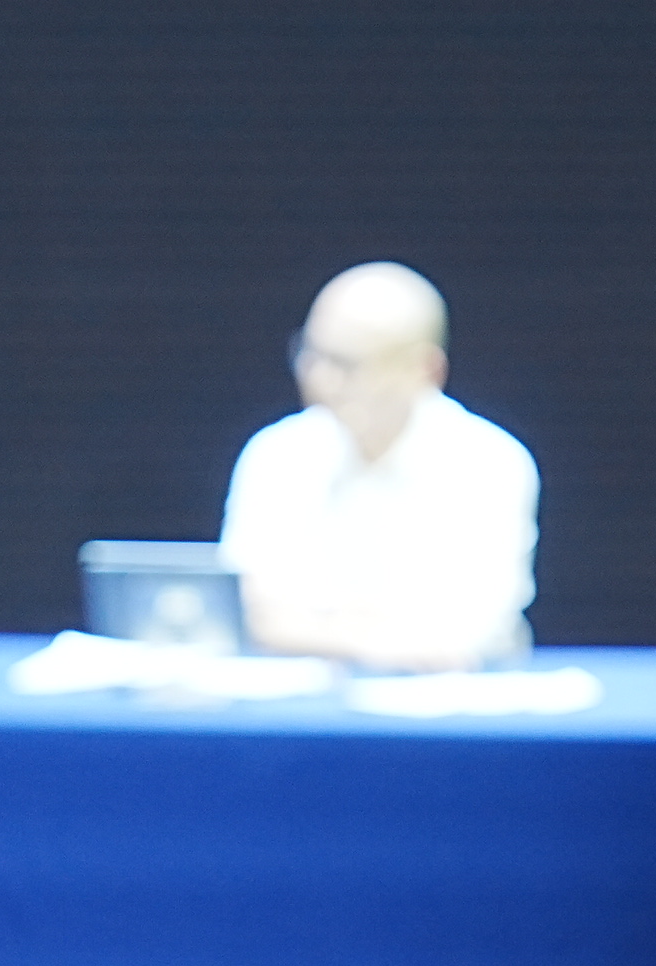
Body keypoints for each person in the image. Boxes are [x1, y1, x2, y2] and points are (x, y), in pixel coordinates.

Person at [219, 262, 536, 672]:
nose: (319, 379)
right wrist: (375, 636)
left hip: (450, 701)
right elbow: (248, 614)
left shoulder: (490, 463)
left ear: (425, 370)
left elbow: (467, 631)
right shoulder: (277, 454)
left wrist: (320, 626)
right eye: (310, 355)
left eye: (346, 364)